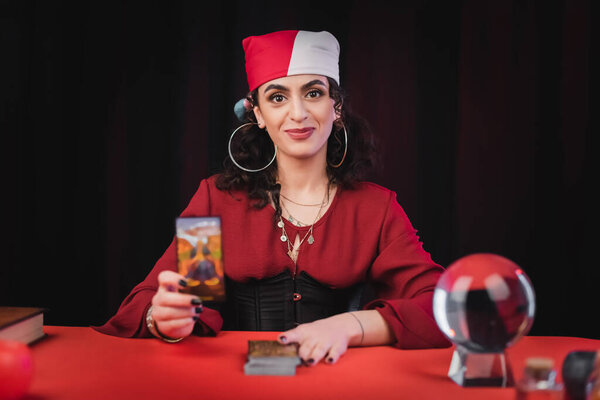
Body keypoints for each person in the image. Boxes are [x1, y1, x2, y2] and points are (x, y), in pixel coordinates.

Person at [95, 30, 450, 364]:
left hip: (339, 383)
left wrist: (349, 326)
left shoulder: (376, 209)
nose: (298, 113)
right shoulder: (217, 201)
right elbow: (151, 302)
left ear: (336, 106)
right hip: (228, 383)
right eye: (277, 97)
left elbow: (440, 306)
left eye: (313, 93)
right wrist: (164, 317)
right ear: (258, 114)